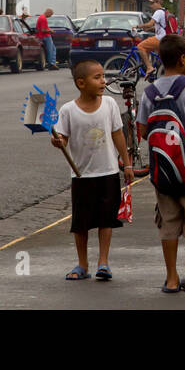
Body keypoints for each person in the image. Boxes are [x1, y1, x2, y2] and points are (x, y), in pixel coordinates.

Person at [136, 34, 185, 293]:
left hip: (162, 166)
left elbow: (143, 130)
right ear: (183, 59)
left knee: (168, 221)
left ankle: (171, 278)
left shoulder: (149, 91)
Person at [51, 59, 133, 281]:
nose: (103, 81)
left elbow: (117, 134)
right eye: (97, 77)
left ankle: (103, 262)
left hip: (107, 171)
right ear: (81, 83)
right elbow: (63, 138)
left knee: (107, 219)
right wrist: (58, 142)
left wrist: (126, 163)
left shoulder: (109, 104)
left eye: (103, 76)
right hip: (82, 175)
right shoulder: (68, 110)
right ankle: (82, 263)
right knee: (81, 222)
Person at [137, 0, 168, 73]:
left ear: (158, 3)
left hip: (160, 38)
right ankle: (157, 69)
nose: (151, 6)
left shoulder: (158, 12)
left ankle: (149, 67)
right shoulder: (164, 11)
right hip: (165, 38)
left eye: (152, 3)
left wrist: (138, 26)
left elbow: (150, 23)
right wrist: (148, 29)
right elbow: (160, 26)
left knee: (140, 47)